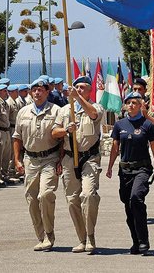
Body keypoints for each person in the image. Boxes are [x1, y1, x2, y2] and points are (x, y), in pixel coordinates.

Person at [52, 76, 104, 254]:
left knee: (88, 195)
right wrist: (66, 130)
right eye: (77, 88)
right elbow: (54, 132)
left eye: (83, 88)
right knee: (72, 199)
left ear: (90, 91)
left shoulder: (96, 106)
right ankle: (81, 238)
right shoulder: (65, 110)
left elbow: (93, 115)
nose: (79, 90)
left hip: (89, 158)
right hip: (68, 158)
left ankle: (91, 236)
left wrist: (78, 98)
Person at [106, 92, 154, 255]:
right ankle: (136, 241)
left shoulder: (147, 125)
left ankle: (144, 240)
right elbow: (115, 147)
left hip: (142, 169)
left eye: (135, 103)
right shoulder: (119, 125)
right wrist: (110, 166)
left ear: (140, 106)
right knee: (129, 206)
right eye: (128, 103)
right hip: (125, 171)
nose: (131, 105)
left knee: (136, 199)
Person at [13, 78, 61, 251]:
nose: (37, 93)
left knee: (45, 194)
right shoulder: (23, 112)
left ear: (47, 92)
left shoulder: (56, 111)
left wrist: (61, 160)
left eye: (41, 90)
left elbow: (62, 139)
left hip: (50, 158)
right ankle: (40, 236)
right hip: (30, 160)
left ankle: (49, 234)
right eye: (34, 90)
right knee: (32, 199)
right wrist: (17, 159)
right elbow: (17, 137)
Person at [0, 84, 11, 184]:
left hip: (6, 130)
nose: (6, 93)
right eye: (4, 91)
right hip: (0, 130)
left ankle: (5, 173)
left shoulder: (5, 103)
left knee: (6, 154)